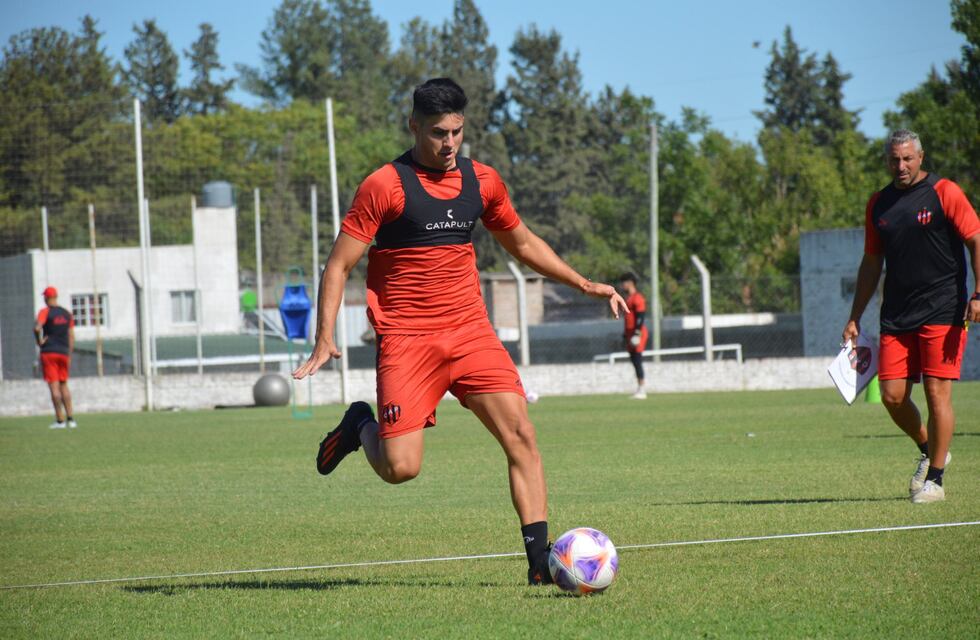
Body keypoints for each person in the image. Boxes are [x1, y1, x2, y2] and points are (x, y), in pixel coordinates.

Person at [292, 78, 628, 584]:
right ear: (413, 127)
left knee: (522, 436)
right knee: (401, 467)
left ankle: (539, 565)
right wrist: (324, 337)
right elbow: (338, 265)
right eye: (437, 133)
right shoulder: (384, 185)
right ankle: (361, 424)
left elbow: (522, 241)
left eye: (457, 132)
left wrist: (583, 284)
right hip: (407, 340)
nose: (449, 144)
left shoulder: (482, 181)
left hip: (470, 331)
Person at [842, 129, 980, 504]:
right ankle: (929, 447)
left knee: (937, 392)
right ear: (887, 161)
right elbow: (872, 262)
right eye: (893, 160)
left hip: (944, 308)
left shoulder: (945, 192)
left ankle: (935, 479)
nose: (900, 166)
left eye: (907, 158)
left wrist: (979, 293)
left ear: (920, 157)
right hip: (897, 314)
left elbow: (975, 239)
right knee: (891, 396)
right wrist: (855, 315)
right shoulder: (879, 204)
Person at [34, 286, 77, 429]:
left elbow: (37, 328)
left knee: (54, 386)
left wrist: (38, 341)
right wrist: (69, 354)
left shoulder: (45, 312)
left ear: (46, 298)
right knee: (64, 384)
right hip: (64, 352)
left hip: (49, 352)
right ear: (56, 297)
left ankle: (60, 420)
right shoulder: (67, 314)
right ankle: (71, 419)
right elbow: (71, 335)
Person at [619, 272, 649, 399]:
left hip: (638, 334)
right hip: (630, 333)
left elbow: (641, 316)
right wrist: (626, 334)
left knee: (637, 360)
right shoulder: (628, 298)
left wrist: (637, 332)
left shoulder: (637, 298)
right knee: (634, 360)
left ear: (630, 282)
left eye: (624, 282)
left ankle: (642, 389)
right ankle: (639, 387)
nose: (622, 285)